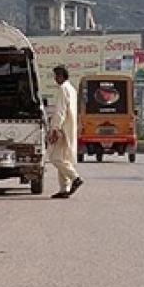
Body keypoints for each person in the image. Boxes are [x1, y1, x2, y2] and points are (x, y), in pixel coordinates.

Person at [48, 66, 83, 199]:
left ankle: (75, 178)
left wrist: (55, 128)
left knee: (56, 158)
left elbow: (61, 111)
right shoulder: (72, 89)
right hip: (69, 128)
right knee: (64, 159)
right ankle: (64, 189)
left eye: (56, 76)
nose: (55, 79)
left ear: (62, 76)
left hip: (63, 129)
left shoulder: (63, 89)